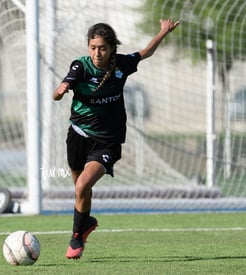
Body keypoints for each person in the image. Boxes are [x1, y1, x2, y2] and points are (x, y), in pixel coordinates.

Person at [53, 19, 180, 259]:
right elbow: (65, 82)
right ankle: (86, 222)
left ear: (112, 48)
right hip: (78, 136)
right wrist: (59, 91)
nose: (96, 53)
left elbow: (145, 52)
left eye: (102, 48)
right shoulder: (81, 67)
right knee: (81, 192)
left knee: (82, 186)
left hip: (108, 141)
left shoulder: (121, 65)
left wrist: (163, 31)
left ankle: (77, 238)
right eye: (92, 47)